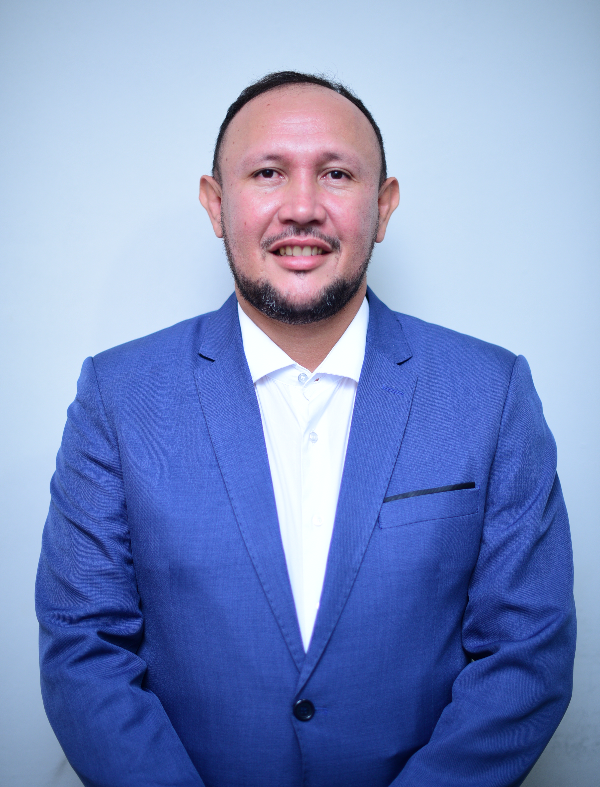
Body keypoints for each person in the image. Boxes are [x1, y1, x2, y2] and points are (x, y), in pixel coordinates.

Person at [36, 71, 576, 787]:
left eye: (336, 174)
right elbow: (85, 649)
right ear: (216, 204)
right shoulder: (118, 395)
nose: (301, 208)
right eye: (267, 173)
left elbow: (525, 655)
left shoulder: (491, 392)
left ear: (383, 206)